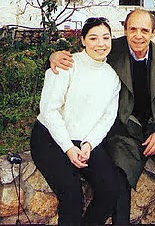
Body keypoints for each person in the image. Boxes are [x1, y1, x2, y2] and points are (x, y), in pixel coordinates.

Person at [49, 8, 155, 225]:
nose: (138, 35)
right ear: (124, 30)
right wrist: (53, 56)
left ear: (153, 32)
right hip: (124, 131)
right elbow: (80, 57)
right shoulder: (110, 52)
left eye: (145, 30)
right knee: (120, 176)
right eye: (132, 29)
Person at [30, 17, 121, 226]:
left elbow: (107, 117)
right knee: (72, 196)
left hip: (85, 142)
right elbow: (49, 110)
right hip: (50, 139)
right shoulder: (66, 64)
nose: (101, 44)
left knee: (110, 191)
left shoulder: (112, 77)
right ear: (83, 40)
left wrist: (88, 144)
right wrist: (69, 149)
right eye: (94, 38)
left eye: (106, 38)